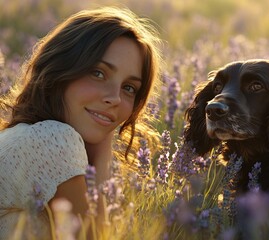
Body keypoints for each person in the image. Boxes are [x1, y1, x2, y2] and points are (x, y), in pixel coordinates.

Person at [0, 6, 162, 238]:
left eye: (129, 88)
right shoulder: (52, 139)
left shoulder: (23, 136)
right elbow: (97, 236)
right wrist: (104, 151)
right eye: (98, 73)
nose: (115, 98)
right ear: (60, 69)